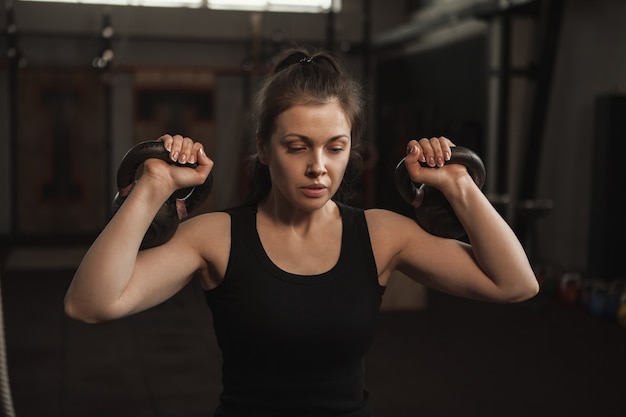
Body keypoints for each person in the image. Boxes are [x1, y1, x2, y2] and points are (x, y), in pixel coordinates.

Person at [64, 47, 539, 417]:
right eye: (297, 147)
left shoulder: (381, 234)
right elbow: (90, 303)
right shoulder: (216, 238)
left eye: (335, 148)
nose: (318, 168)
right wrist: (154, 185)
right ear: (264, 149)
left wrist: (458, 184)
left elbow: (515, 284)